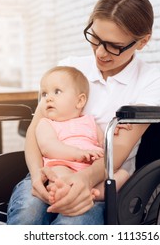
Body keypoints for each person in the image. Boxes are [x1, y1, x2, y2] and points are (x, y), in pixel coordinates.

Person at [7, 0, 160, 225]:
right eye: (95, 38)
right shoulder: (69, 69)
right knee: (27, 212)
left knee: (72, 225)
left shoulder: (150, 82)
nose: (100, 53)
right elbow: (36, 129)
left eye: (114, 46)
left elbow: (118, 151)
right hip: (51, 171)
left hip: (105, 181)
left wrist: (84, 180)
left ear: (142, 41)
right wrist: (36, 175)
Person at [35, 66, 130, 204]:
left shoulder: (90, 121)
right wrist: (77, 153)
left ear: (79, 101)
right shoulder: (46, 123)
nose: (48, 98)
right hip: (63, 165)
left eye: (57, 92)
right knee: (59, 175)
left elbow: (103, 143)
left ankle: (92, 193)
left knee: (123, 174)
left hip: (91, 171)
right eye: (44, 94)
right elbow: (48, 147)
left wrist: (114, 131)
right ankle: (66, 191)